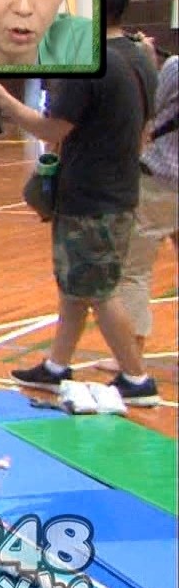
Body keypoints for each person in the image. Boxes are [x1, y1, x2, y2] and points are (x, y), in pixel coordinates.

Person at [0, 0, 160, 404]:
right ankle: (56, 367)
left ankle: (137, 379)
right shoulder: (141, 57)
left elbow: (51, 128)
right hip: (120, 189)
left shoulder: (87, 64)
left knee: (98, 291)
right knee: (76, 286)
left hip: (91, 197)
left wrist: (5, 101)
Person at [102, 45, 177, 373]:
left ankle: (130, 358)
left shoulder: (175, 67)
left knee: (134, 270)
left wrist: (147, 62)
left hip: (159, 182)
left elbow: (146, 108)